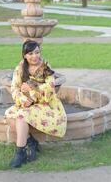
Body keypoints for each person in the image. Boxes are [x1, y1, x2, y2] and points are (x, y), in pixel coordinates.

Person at [5, 40, 67, 168]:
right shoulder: (20, 68)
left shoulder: (45, 67)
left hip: (45, 104)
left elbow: (50, 88)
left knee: (21, 117)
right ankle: (31, 142)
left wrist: (32, 88)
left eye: (37, 52)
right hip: (27, 104)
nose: (35, 56)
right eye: (30, 54)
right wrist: (23, 99)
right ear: (24, 55)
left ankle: (20, 153)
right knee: (9, 115)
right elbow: (14, 88)